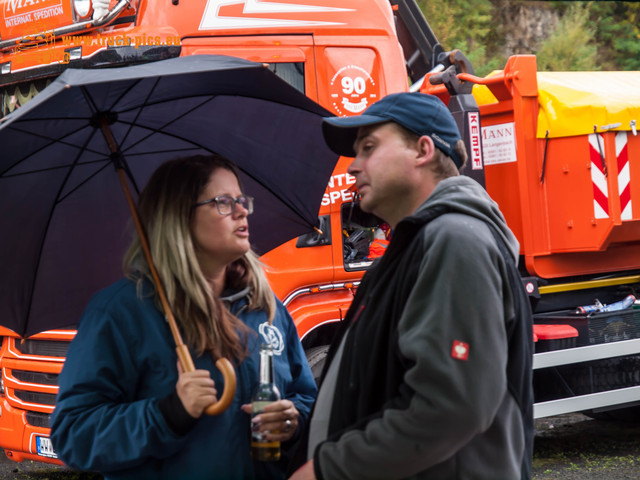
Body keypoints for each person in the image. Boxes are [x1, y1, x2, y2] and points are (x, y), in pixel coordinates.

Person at [290, 92, 534, 480]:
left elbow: (452, 406)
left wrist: (328, 469)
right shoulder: (410, 251)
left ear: (422, 150)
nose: (353, 167)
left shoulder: (455, 240)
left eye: (368, 148)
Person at [50, 153, 317, 480]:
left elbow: (306, 398)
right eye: (223, 202)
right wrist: (167, 414)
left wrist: (294, 420)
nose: (242, 210)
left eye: (241, 200)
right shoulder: (121, 312)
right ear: (178, 217)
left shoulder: (266, 307)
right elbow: (73, 435)